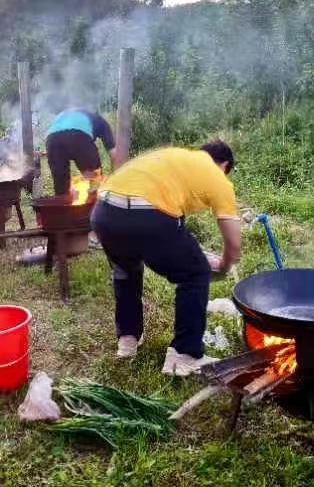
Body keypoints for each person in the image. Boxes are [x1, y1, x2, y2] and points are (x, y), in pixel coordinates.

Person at [90, 140, 242, 376]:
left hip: (104, 212)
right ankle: (184, 355)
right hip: (147, 216)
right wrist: (223, 265)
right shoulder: (216, 175)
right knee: (196, 273)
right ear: (224, 164)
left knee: (126, 269)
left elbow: (172, 221)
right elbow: (233, 243)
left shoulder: (174, 158)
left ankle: (128, 340)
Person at [45, 108, 119, 197]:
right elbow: (114, 154)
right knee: (94, 179)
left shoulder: (66, 114)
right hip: (79, 136)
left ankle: (64, 207)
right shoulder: (100, 121)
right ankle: (95, 208)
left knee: (61, 188)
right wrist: (118, 179)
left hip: (51, 139)